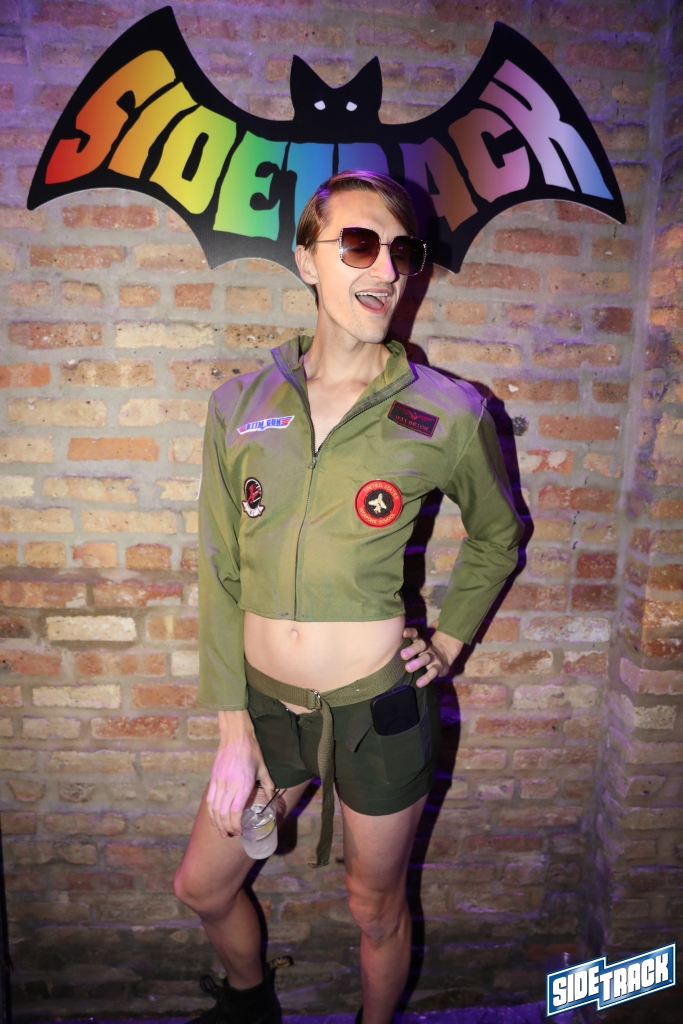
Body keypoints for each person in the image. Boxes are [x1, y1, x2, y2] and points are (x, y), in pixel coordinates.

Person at [173, 170, 524, 1024]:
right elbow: (220, 569)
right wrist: (232, 733)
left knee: (375, 906)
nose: (385, 270)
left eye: (403, 252)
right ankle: (250, 1005)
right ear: (307, 259)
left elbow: (497, 534)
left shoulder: (448, 410)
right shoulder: (239, 404)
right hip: (268, 710)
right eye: (359, 245)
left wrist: (449, 641)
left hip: (380, 713)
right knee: (202, 885)